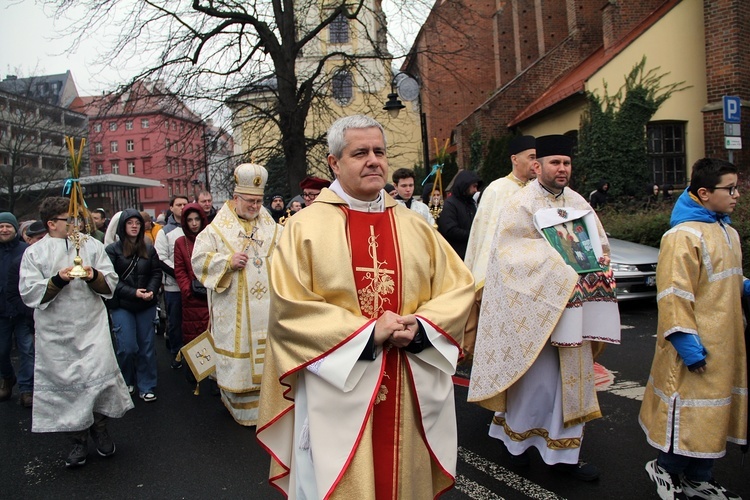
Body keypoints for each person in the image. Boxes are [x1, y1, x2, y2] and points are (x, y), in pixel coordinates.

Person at [257, 115, 475, 498]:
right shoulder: (302, 228)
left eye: (379, 151)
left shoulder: (415, 226)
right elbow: (289, 310)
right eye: (360, 153)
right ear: (334, 163)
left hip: (408, 379)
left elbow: (458, 288)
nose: (374, 160)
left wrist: (421, 327)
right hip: (337, 389)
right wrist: (367, 333)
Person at [468, 135, 620, 482]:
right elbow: (509, 256)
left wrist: (602, 260)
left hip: (574, 311)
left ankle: (566, 457)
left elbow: (599, 241)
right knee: (536, 386)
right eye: (555, 162)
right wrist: (559, 269)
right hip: (536, 314)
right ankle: (518, 449)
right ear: (538, 167)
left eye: (566, 163)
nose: (562, 169)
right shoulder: (521, 203)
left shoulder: (579, 202)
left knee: (571, 385)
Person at [639, 158, 746, 500]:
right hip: (695, 344)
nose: (737, 195)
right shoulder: (682, 236)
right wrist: (686, 342)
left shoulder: (728, 231)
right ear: (704, 193)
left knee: (712, 413)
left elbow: (721, 278)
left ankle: (699, 476)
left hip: (727, 341)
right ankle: (665, 468)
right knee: (686, 409)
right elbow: (672, 293)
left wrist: (744, 286)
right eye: (729, 188)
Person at [19, 197, 133, 468]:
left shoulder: (91, 245)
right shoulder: (35, 253)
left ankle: (100, 429)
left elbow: (111, 283)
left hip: (92, 327)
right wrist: (58, 279)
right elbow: (29, 292)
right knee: (69, 387)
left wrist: (94, 275)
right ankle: (77, 440)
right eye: (67, 220)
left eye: (75, 219)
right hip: (57, 333)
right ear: (51, 224)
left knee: (96, 379)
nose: (74, 224)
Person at [192, 164, 283, 426]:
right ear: (236, 199)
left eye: (259, 201)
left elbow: (288, 254)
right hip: (235, 312)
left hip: (267, 311)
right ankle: (238, 407)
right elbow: (199, 261)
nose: (256, 206)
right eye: (250, 201)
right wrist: (227, 262)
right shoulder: (216, 230)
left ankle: (269, 407)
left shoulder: (270, 226)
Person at [463, 136, 536, 357]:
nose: (536, 163)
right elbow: (487, 236)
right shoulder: (498, 190)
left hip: (532, 276)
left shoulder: (538, 189)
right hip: (502, 276)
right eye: (532, 157)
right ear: (515, 158)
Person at [105, 210, 162, 402]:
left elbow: (156, 272)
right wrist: (133, 293)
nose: (134, 226)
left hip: (146, 304)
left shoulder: (149, 248)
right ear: (123, 226)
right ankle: (126, 378)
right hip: (123, 304)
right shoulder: (112, 250)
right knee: (127, 347)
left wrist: (152, 290)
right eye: (130, 223)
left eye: (137, 222)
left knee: (146, 347)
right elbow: (111, 279)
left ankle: (147, 385)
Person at [155, 194, 189, 368]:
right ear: (171, 207)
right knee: (175, 321)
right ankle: (176, 353)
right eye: (178, 204)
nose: (182, 207)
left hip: (193, 285)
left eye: (185, 204)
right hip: (173, 286)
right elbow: (160, 258)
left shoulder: (194, 227)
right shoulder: (165, 232)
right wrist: (180, 273)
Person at [0, 212, 30, 404]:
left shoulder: (26, 250)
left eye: (8, 226)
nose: (4, 230)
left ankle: (27, 389)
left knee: (27, 349)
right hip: (1, 311)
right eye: (1, 226)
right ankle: (7, 378)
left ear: (14, 228)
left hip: (21, 309)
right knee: (2, 350)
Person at [173, 204, 209, 349]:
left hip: (210, 295)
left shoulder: (210, 238)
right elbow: (180, 270)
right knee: (194, 343)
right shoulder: (180, 243)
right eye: (189, 220)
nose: (194, 223)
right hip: (192, 299)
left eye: (196, 219)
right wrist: (188, 291)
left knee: (212, 338)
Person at [437, 169, 482, 259]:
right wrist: (473, 234)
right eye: (473, 186)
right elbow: (450, 230)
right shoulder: (450, 205)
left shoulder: (471, 203)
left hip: (471, 253)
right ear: (465, 185)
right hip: (456, 254)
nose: (475, 190)